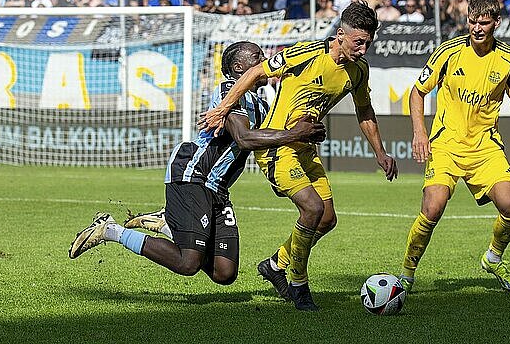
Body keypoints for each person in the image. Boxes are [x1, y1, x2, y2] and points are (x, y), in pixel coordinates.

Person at [69, 42, 326, 288]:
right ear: (239, 68)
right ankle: (110, 230)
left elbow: (273, 138)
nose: (265, 62)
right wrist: (296, 134)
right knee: (188, 263)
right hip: (194, 175)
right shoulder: (228, 90)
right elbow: (244, 139)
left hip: (218, 189)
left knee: (224, 273)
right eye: (257, 58)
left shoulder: (260, 105)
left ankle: (168, 224)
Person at [199, 1, 399, 311]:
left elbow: (364, 110)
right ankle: (298, 283)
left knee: (327, 219)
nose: (363, 49)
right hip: (277, 148)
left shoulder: (359, 70)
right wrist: (224, 108)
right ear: (341, 34)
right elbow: (255, 71)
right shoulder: (306, 53)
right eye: (358, 41)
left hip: (305, 148)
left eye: (368, 43)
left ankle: (275, 265)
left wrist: (380, 152)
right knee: (312, 208)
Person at [398, 0, 510, 294]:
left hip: (485, 147)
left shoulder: (509, 60)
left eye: (483, 22)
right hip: (447, 144)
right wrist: (419, 132)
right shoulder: (447, 53)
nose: (476, 28)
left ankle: (493, 257)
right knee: (432, 208)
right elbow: (417, 92)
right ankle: (407, 275)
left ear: (496, 23)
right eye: (472, 21)